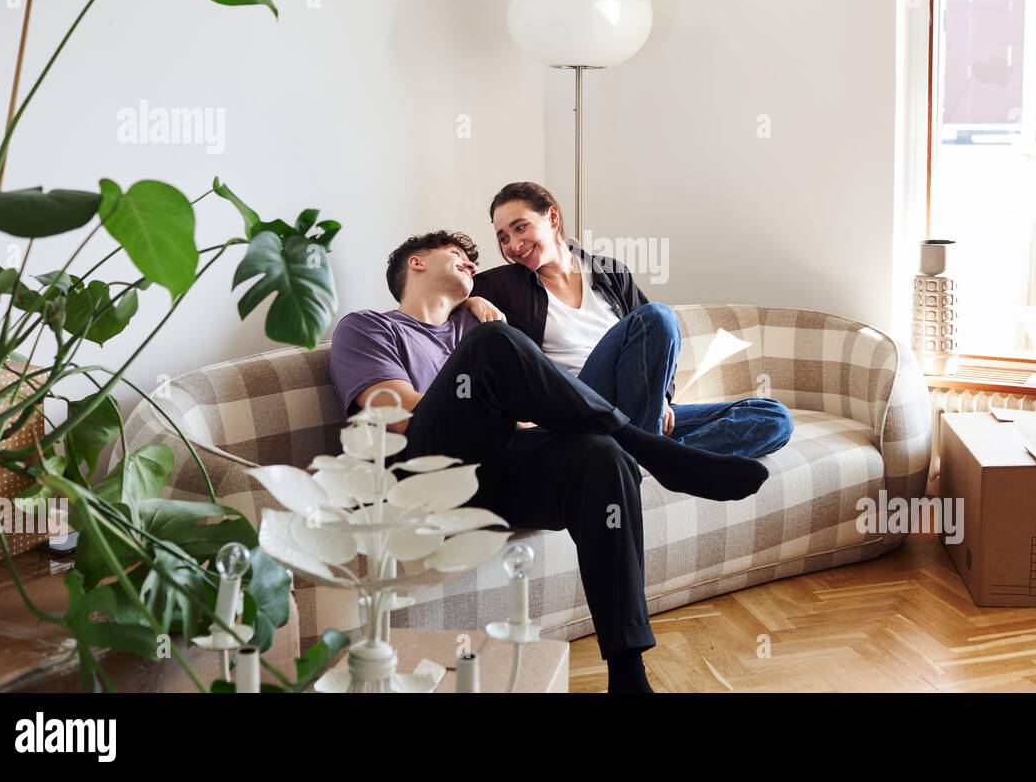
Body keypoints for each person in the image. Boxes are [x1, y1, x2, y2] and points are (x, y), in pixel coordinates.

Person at [328, 230, 770, 693]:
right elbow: (391, 412)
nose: (471, 265)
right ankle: (646, 445)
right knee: (495, 345)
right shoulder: (368, 326)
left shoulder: (474, 325)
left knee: (601, 457)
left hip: (497, 476)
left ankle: (628, 673)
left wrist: (481, 330)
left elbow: (522, 418)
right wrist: (480, 388)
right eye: (458, 256)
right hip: (427, 472)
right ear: (416, 263)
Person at [472, 182, 794, 458]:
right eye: (502, 238)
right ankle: (647, 449)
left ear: (552, 216)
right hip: (576, 408)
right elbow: (445, 291)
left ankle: (643, 456)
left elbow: (654, 346)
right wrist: (473, 300)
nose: (513, 245)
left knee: (773, 418)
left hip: (631, 414)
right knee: (656, 316)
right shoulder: (504, 285)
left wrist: (661, 399)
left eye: (520, 227)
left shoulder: (610, 273)